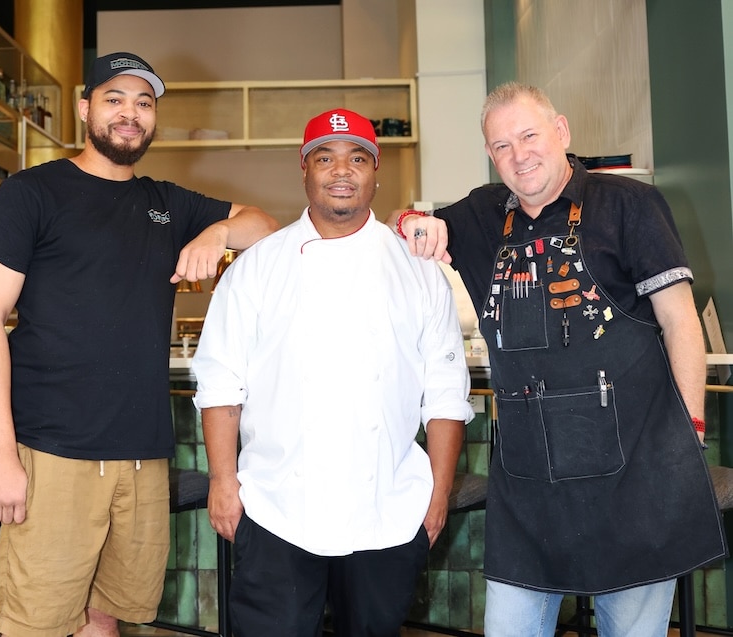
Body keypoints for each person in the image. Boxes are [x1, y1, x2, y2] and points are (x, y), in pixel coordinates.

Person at [390, 82, 727, 636]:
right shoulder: (481, 214)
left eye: (529, 135)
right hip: (528, 485)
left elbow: (681, 323)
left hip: (633, 477)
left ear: (562, 132)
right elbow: (412, 222)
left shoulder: (629, 205)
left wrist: (690, 430)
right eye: (501, 146)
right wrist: (412, 224)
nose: (518, 155)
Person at [0, 51, 279, 637]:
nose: (130, 114)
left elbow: (264, 226)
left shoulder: (166, 202)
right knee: (35, 624)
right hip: (53, 450)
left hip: (141, 454)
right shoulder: (32, 193)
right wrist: (2, 455)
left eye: (144, 103)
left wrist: (216, 232)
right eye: (115, 99)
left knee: (108, 617)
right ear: (86, 109)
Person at [192, 108, 474, 637]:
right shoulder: (258, 266)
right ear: (304, 169)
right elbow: (220, 384)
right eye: (325, 157)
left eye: (357, 158)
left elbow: (445, 396)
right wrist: (223, 482)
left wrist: (436, 497)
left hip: (386, 511)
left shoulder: (416, 269)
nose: (342, 171)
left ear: (376, 171)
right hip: (276, 507)